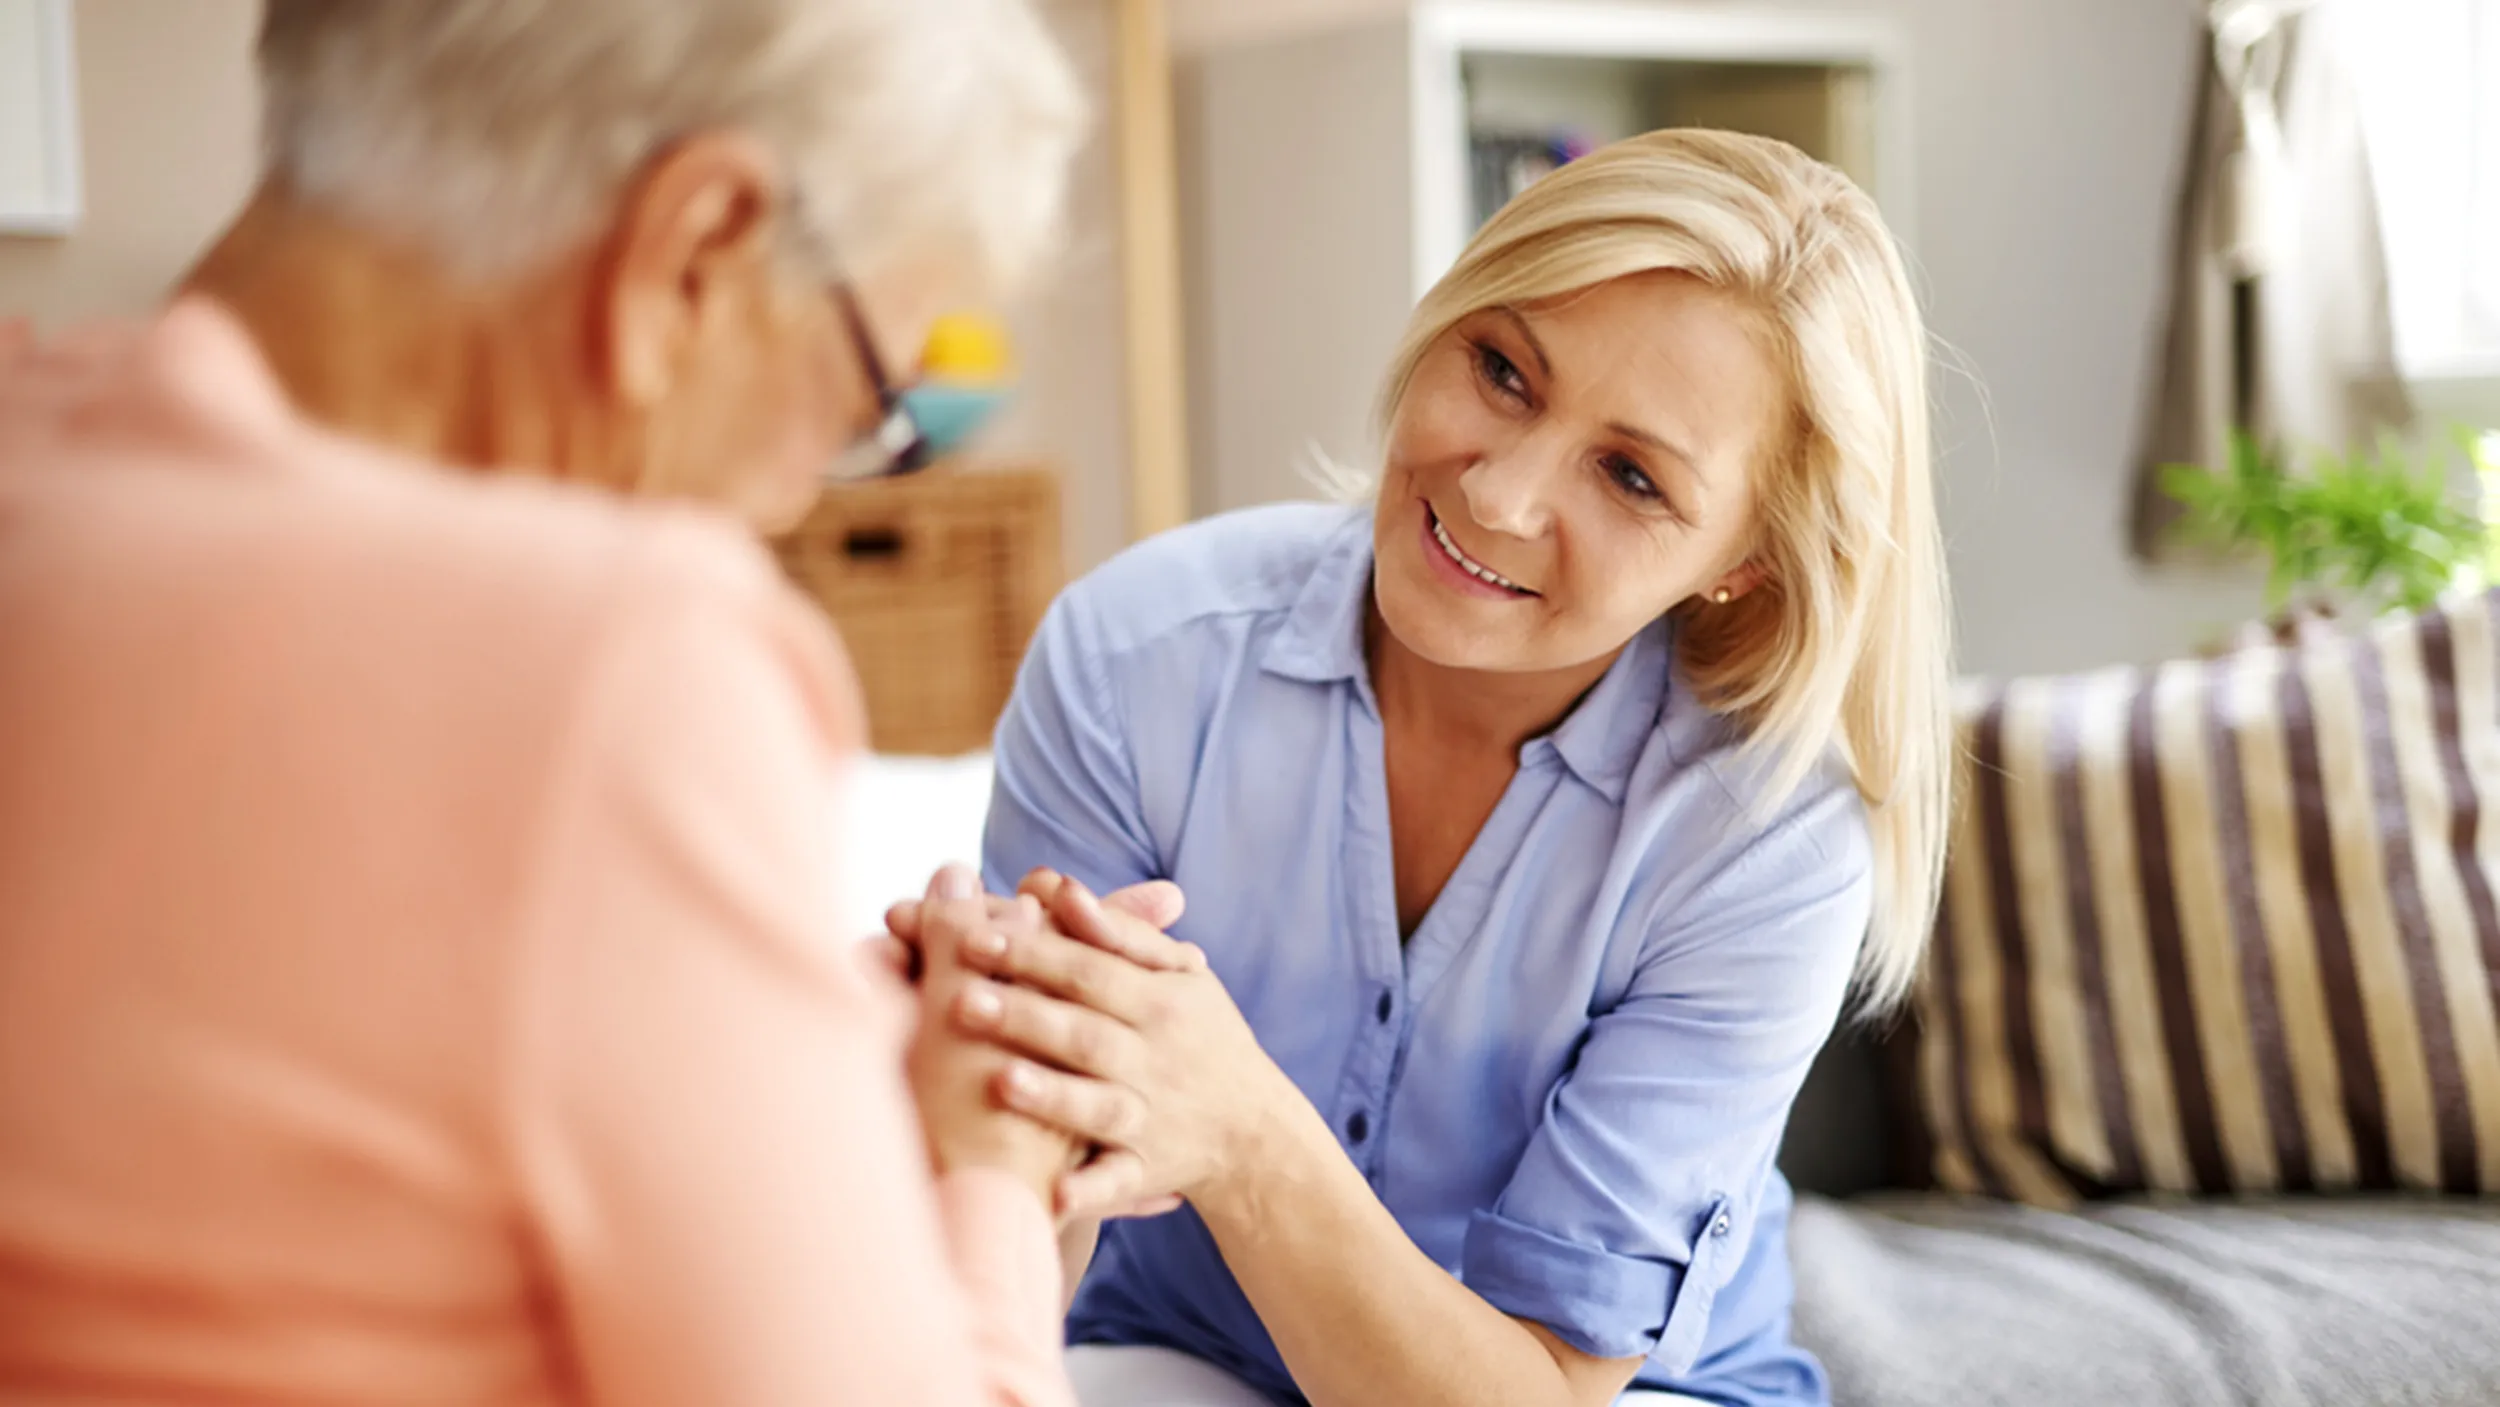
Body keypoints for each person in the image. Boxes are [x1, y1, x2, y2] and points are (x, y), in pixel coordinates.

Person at [0, 1, 1112, 1402]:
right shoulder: (621, 663)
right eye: (858, 407)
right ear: (699, 241)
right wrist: (990, 1171)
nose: (789, 500)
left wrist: (777, 1046)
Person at [913, 129, 1955, 1407]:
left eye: (1631, 477)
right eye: (1504, 370)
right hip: (1181, 1357)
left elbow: (1546, 1383)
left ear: (1747, 560)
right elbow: (1026, 1214)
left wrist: (1238, 1126)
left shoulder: (1763, 836)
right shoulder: (1133, 657)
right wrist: (988, 1114)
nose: (1501, 496)